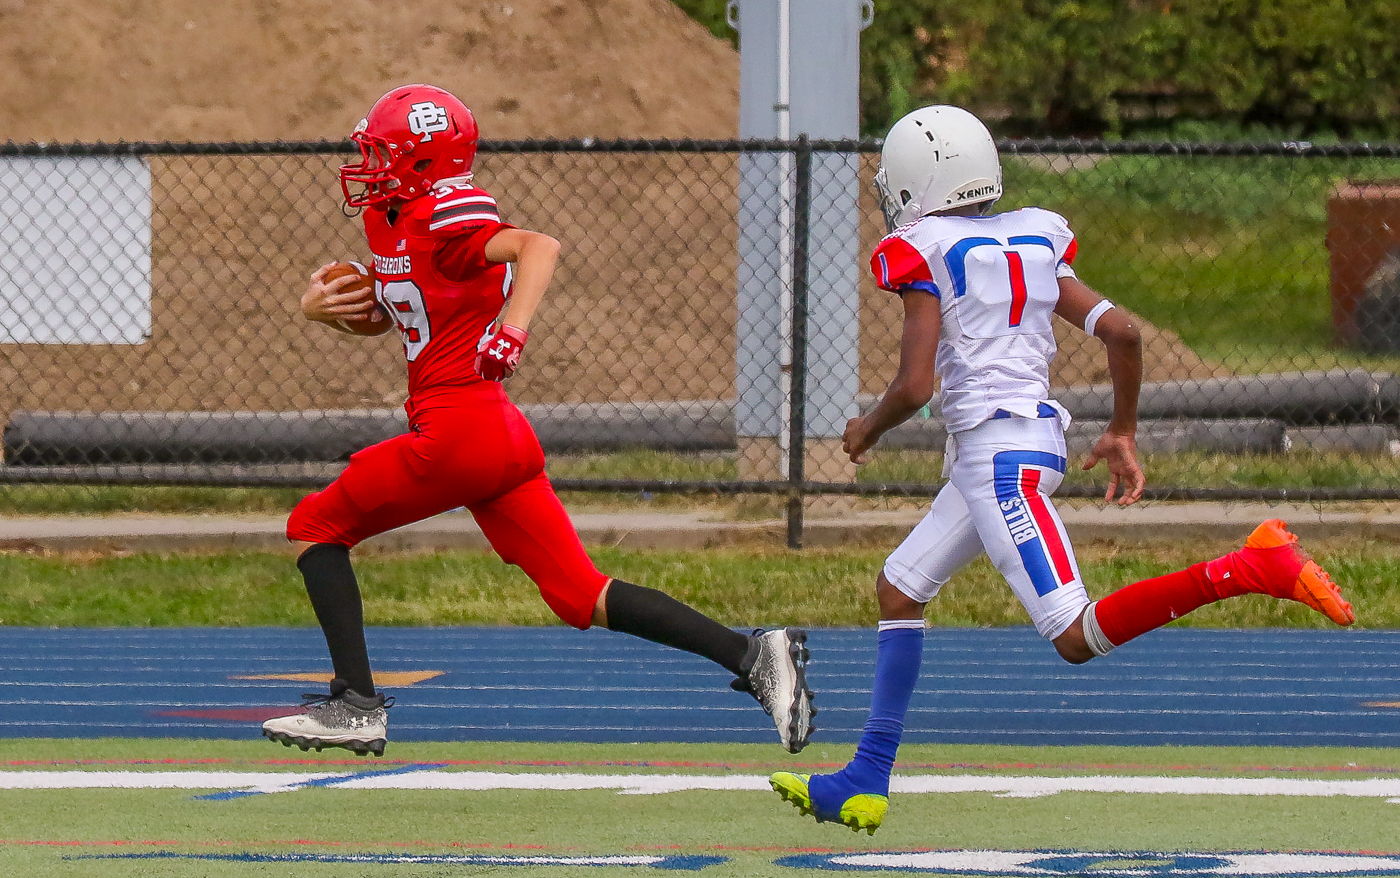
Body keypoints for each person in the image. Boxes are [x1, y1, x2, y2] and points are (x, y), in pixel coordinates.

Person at [769, 104, 1354, 834]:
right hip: (1015, 449)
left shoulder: (923, 248)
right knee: (900, 587)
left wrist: (866, 428)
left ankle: (1249, 567)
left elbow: (916, 385)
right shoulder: (1034, 235)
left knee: (1074, 636)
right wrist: (1122, 430)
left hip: (999, 462)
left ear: (916, 181)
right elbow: (1123, 332)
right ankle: (867, 775)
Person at [261, 85, 815, 758]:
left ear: (422, 161)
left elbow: (538, 246)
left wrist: (512, 330)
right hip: (496, 435)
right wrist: (325, 312)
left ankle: (355, 705)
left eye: (384, 153)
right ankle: (753, 656)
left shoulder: (444, 212)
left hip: (458, 432)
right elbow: (407, 316)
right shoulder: (391, 216)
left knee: (315, 524)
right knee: (580, 594)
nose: (369, 166)